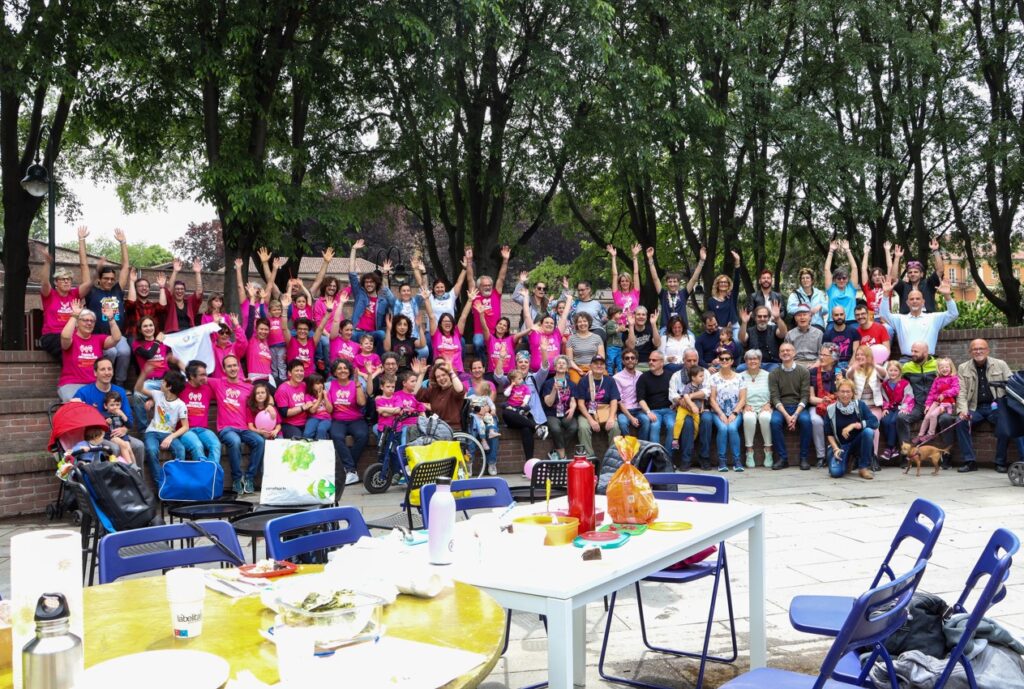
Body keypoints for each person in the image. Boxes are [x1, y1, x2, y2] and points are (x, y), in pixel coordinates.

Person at [955, 339, 1024, 473]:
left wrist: (1008, 407)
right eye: (975, 349)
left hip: (997, 407)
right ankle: (970, 461)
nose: (978, 351)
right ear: (970, 352)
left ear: (988, 350)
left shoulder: (1000, 364)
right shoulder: (963, 367)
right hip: (975, 408)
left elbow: (1012, 385)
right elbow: (961, 392)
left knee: (1006, 422)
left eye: (981, 348)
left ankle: (1000, 462)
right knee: (960, 422)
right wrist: (962, 411)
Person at [72, 357, 145, 466]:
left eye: (109, 369)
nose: (107, 372)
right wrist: (74, 404)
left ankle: (138, 480)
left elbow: (128, 418)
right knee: (114, 447)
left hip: (117, 432)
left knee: (139, 445)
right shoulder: (84, 392)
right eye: (103, 369)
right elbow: (75, 417)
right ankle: (114, 481)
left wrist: (124, 429)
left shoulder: (119, 391)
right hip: (97, 436)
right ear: (95, 373)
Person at [208, 354, 261, 494]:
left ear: (239, 367)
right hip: (226, 429)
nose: (233, 368)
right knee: (235, 441)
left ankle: (249, 478)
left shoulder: (248, 387)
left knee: (260, 441)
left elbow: (265, 397)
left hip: (244, 428)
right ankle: (237, 479)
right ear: (224, 369)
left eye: (234, 365)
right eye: (229, 366)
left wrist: (269, 407)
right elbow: (199, 376)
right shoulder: (218, 383)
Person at [84, 230, 131, 386]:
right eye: (106, 279)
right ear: (99, 279)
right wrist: (81, 240)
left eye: (112, 279)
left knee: (124, 351)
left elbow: (125, 267)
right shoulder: (92, 291)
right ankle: (105, 383)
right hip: (100, 336)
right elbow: (84, 267)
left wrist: (123, 243)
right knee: (111, 352)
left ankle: (119, 384)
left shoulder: (117, 290)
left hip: (118, 335)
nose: (110, 281)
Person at [896, 342, 953, 467]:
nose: (912, 354)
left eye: (916, 351)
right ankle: (907, 456)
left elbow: (951, 379)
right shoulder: (907, 367)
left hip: (937, 405)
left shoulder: (937, 365)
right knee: (901, 418)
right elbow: (896, 380)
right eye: (912, 351)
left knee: (946, 419)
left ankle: (946, 457)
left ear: (926, 352)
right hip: (917, 405)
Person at [38, 226, 92, 359]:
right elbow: (44, 282)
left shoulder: (74, 294)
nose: (67, 282)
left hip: (73, 335)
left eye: (69, 279)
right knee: (70, 349)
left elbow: (88, 284)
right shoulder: (50, 295)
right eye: (63, 279)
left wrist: (81, 240)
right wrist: (47, 263)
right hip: (52, 336)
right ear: (56, 282)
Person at [135, 367, 190, 485]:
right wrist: (143, 374)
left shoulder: (181, 405)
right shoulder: (157, 395)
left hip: (169, 434)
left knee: (180, 449)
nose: (161, 383)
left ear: (169, 386)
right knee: (151, 449)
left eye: (163, 381)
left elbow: (185, 426)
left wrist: (170, 437)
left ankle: (176, 481)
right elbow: (138, 388)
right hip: (152, 432)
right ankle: (160, 483)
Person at [58, 300, 122, 402]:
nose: (89, 323)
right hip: (72, 384)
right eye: (85, 320)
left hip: (95, 385)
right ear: (77, 323)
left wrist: (111, 318)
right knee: (77, 406)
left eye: (92, 321)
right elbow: (65, 337)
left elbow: (116, 338)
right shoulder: (71, 338)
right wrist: (74, 315)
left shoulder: (98, 339)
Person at [878, 276, 958, 357]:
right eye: (912, 299)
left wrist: (947, 296)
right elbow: (884, 315)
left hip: (928, 362)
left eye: (917, 299)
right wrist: (885, 295)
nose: (915, 301)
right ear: (907, 303)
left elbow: (953, 314)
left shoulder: (933, 318)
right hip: (906, 362)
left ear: (923, 302)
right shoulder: (900, 319)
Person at [768, 342, 812, 470]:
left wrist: (796, 414)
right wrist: (787, 416)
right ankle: (783, 458)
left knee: (806, 421)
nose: (785, 353)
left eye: (788, 350)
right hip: (782, 407)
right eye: (782, 351)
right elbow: (774, 397)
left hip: (799, 406)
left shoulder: (803, 371)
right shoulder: (774, 374)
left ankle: (804, 458)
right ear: (779, 354)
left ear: (794, 353)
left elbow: (805, 395)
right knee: (774, 422)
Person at [824, 379, 878, 480]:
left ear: (853, 393)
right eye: (842, 391)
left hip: (857, 444)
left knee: (868, 432)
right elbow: (829, 433)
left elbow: (874, 422)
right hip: (840, 446)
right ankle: (848, 459)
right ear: (837, 393)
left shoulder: (860, 405)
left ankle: (863, 467)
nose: (845, 395)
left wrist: (855, 425)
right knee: (836, 473)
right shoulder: (831, 409)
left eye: (848, 391)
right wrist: (835, 449)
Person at [326, 359, 369, 486]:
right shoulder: (329, 386)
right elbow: (330, 409)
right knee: (336, 436)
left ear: (349, 370)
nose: (342, 370)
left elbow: (362, 403)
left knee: (363, 435)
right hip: (338, 420)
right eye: (339, 368)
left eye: (345, 368)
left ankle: (349, 469)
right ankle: (351, 470)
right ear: (334, 371)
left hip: (355, 419)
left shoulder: (356, 383)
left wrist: (357, 385)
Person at [348, 239, 396, 351]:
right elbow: (352, 274)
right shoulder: (360, 294)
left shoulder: (382, 301)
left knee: (382, 334)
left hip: (372, 333)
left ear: (376, 284)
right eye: (366, 282)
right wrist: (353, 250)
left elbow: (391, 299)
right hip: (357, 331)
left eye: (372, 282)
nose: (369, 284)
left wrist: (385, 274)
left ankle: (380, 360)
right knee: (352, 335)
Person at [669, 350, 714, 468]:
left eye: (695, 360)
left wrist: (688, 397)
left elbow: (707, 391)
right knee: (687, 423)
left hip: (702, 408)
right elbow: (672, 395)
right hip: (683, 409)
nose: (692, 363)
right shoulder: (677, 375)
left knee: (707, 420)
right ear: (684, 361)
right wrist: (681, 401)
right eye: (689, 360)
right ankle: (686, 459)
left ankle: (705, 458)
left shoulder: (704, 373)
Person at [468, 245, 511, 360]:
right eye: (484, 285)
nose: (487, 287)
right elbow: (470, 279)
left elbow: (501, 278)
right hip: (480, 333)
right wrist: (469, 262)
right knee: (477, 343)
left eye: (489, 285)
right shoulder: (475, 295)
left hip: (496, 332)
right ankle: (482, 367)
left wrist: (505, 260)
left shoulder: (496, 294)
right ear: (479, 287)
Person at [647, 245, 704, 332]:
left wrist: (702, 260)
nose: (672, 284)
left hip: (683, 329)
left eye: (674, 281)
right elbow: (655, 279)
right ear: (666, 283)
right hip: (665, 329)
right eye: (670, 281)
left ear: (678, 283)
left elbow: (694, 279)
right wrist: (650, 259)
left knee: (692, 341)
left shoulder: (683, 293)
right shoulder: (663, 294)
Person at [848, 346, 887, 468]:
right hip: (859, 408)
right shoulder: (854, 370)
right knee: (855, 429)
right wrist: (852, 369)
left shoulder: (876, 370)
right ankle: (857, 456)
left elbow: (885, 375)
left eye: (862, 355)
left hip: (874, 407)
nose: (859, 357)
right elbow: (847, 377)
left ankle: (873, 457)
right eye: (857, 355)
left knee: (874, 428)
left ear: (868, 356)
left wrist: (874, 365)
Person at [575, 355, 620, 458]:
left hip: (605, 411)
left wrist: (611, 417)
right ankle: (589, 458)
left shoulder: (610, 380)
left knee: (615, 427)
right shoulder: (584, 381)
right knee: (583, 427)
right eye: (596, 363)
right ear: (591, 366)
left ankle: (613, 456)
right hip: (588, 412)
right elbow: (580, 404)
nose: (599, 366)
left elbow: (614, 401)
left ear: (605, 366)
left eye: (601, 364)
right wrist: (590, 420)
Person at [181, 360, 223, 468]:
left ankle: (210, 475)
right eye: (202, 375)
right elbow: (165, 394)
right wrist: (152, 400)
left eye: (206, 374)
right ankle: (202, 476)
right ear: (191, 376)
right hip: (185, 430)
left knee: (216, 445)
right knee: (197, 446)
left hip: (203, 429)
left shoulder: (208, 389)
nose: (205, 377)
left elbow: (224, 384)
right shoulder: (181, 388)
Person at [709, 349, 745, 471]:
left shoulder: (740, 377)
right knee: (723, 428)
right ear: (718, 361)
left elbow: (742, 399)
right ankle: (722, 462)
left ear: (732, 361)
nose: (724, 361)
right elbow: (712, 399)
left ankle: (737, 461)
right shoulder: (713, 378)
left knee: (732, 428)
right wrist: (721, 414)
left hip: (736, 411)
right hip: (718, 412)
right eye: (721, 359)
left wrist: (734, 413)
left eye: (727, 359)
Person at [414, 253, 468, 330]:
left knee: (462, 341)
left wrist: (464, 269)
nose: (440, 289)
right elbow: (423, 285)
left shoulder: (451, 296)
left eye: (442, 287)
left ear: (445, 288)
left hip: (449, 332)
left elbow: (459, 283)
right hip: (433, 332)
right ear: (433, 289)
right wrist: (423, 272)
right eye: (437, 287)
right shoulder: (430, 297)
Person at [889, 239, 944, 314]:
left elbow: (940, 270)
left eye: (916, 272)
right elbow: (893, 278)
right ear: (907, 275)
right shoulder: (903, 286)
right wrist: (897, 258)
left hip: (927, 320)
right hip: (907, 320)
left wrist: (935, 251)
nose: (912, 274)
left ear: (921, 274)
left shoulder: (929, 284)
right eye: (910, 272)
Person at [429, 289, 476, 375]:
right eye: (445, 321)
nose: (447, 323)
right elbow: (431, 316)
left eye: (449, 321)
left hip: (458, 371)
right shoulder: (436, 334)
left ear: (453, 324)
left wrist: (470, 300)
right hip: (441, 372)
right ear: (440, 324)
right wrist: (426, 299)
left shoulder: (457, 333)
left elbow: (463, 317)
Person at [808, 344, 839, 468]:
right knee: (816, 421)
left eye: (825, 355)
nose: (821, 357)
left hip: (834, 404)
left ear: (833, 358)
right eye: (820, 354)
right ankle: (821, 456)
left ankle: (837, 452)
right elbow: (810, 397)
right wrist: (823, 400)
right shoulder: (813, 372)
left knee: (838, 419)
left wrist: (830, 400)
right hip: (817, 405)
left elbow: (843, 395)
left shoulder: (839, 373)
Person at [740, 349, 773, 468]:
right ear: (745, 361)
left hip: (765, 406)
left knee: (765, 418)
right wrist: (743, 405)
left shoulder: (768, 375)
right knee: (748, 418)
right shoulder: (740, 376)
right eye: (749, 359)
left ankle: (768, 451)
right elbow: (737, 394)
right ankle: (749, 451)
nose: (752, 361)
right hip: (748, 406)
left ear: (760, 361)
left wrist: (769, 403)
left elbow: (774, 392)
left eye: (755, 359)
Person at [541, 356, 578, 459]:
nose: (561, 365)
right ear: (555, 367)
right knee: (556, 429)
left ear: (567, 368)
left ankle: (555, 450)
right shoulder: (548, 383)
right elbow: (548, 403)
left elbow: (573, 400)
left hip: (566, 412)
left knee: (573, 427)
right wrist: (553, 390)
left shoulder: (572, 384)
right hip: (552, 414)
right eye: (559, 363)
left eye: (564, 363)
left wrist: (573, 408)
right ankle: (562, 457)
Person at [636, 352, 675, 449]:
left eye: (654, 360)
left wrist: (675, 404)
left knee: (672, 426)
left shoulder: (671, 376)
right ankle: (656, 456)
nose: (650, 362)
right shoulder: (643, 377)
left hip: (669, 410)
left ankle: (668, 458)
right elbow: (640, 398)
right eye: (649, 360)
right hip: (653, 411)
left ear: (662, 362)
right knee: (654, 426)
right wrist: (648, 412)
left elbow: (676, 393)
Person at [418, 360, 467, 430]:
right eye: (438, 377)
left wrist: (451, 372)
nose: (441, 378)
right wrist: (421, 374)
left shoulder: (454, 388)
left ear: (449, 375)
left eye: (444, 375)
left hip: (452, 429)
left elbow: (460, 390)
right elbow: (416, 393)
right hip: (436, 428)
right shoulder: (434, 390)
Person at [614, 348, 651, 440]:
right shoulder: (617, 378)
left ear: (636, 361)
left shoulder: (640, 375)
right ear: (623, 361)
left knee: (646, 420)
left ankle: (642, 447)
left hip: (638, 409)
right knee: (622, 423)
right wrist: (630, 417)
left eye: (632, 358)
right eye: (627, 358)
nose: (630, 360)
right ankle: (628, 449)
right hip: (624, 410)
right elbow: (619, 401)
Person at [880, 360, 913, 461]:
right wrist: (885, 408)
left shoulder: (905, 383)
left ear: (900, 372)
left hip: (901, 407)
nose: (893, 372)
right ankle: (893, 449)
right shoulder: (884, 385)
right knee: (885, 421)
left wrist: (905, 408)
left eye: (895, 370)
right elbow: (883, 398)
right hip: (890, 407)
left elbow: (909, 396)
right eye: (890, 370)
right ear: (887, 371)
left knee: (894, 421)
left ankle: (889, 447)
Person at [918, 358, 959, 441]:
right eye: (942, 367)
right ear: (939, 369)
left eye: (946, 367)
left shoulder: (953, 378)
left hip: (946, 403)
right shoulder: (937, 379)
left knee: (933, 415)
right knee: (927, 416)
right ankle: (920, 435)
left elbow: (956, 389)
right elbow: (931, 393)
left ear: (951, 367)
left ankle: (930, 434)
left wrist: (944, 394)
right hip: (936, 402)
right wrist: (927, 405)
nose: (944, 369)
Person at [738, 303, 787, 371]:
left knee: (775, 371)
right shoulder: (749, 331)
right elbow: (742, 339)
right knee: (740, 369)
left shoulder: (774, 329)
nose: (762, 319)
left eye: (765, 316)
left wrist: (777, 318)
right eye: (759, 316)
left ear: (769, 318)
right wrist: (744, 323)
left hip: (771, 364)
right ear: (755, 318)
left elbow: (783, 333)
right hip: (752, 363)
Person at [162, 258, 204, 333]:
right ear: (174, 291)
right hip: (173, 333)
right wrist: (175, 271)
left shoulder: (189, 302)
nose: (179, 291)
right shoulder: (170, 302)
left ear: (184, 291)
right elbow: (168, 290)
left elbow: (199, 292)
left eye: (182, 289)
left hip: (188, 333)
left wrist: (198, 273)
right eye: (177, 289)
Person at [823, 239, 860, 322]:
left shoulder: (851, 287)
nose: (841, 280)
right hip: (834, 322)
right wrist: (831, 251)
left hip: (851, 321)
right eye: (838, 278)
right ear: (834, 280)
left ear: (847, 279)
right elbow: (826, 269)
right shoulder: (831, 289)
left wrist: (847, 250)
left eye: (844, 278)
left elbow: (854, 268)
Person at [125, 269, 167, 341]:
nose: (144, 288)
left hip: (151, 337)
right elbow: (131, 303)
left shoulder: (153, 305)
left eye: (146, 286)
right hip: (135, 337)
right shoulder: (133, 305)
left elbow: (162, 307)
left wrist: (162, 287)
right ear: (135, 289)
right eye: (140, 286)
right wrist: (132, 282)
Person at [860, 240, 895, 325]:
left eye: (879, 275)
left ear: (883, 276)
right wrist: (866, 253)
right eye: (874, 275)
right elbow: (863, 269)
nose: (877, 277)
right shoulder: (867, 287)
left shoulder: (887, 285)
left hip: (886, 315)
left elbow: (890, 267)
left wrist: (887, 250)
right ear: (871, 278)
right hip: (872, 316)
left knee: (887, 333)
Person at [706, 251, 741, 332]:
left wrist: (737, 262)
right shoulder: (711, 301)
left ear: (728, 285)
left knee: (738, 342)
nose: (723, 284)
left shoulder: (732, 296)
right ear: (717, 285)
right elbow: (710, 317)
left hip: (734, 327)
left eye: (725, 282)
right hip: (719, 329)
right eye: (721, 282)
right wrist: (719, 328)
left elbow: (737, 281)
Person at [607, 243, 642, 325]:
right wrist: (613, 257)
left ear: (630, 282)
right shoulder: (616, 294)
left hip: (634, 325)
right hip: (620, 326)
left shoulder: (635, 292)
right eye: (622, 281)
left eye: (627, 281)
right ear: (619, 283)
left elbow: (636, 273)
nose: (625, 283)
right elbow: (615, 274)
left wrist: (635, 256)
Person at [566, 312, 605, 384]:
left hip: (595, 366)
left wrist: (592, 369)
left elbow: (601, 357)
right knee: (576, 383)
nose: (582, 323)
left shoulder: (597, 338)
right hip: (577, 368)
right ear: (576, 324)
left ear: (589, 322)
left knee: (604, 381)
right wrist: (578, 369)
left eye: (584, 321)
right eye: (579, 322)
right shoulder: (571, 339)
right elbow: (569, 360)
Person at [275, 359, 311, 439]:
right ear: (289, 373)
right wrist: (302, 407)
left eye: (301, 371)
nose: (299, 373)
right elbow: (284, 413)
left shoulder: (304, 385)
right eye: (296, 370)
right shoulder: (283, 389)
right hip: (289, 424)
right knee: (299, 440)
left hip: (306, 422)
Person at [822, 305, 861, 372]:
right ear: (832, 317)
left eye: (841, 314)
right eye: (836, 315)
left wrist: (850, 366)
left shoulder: (853, 331)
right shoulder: (827, 334)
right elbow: (826, 354)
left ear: (845, 315)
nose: (839, 317)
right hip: (834, 365)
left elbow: (856, 351)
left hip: (851, 363)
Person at [102, 391, 137, 463]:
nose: (115, 407)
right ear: (105, 406)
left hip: (122, 435)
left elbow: (130, 425)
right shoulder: (104, 415)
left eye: (117, 405)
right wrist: (106, 423)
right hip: (111, 436)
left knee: (129, 448)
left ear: (120, 405)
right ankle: (129, 466)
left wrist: (123, 415)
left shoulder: (121, 414)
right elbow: (101, 429)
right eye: (112, 405)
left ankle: (135, 467)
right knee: (123, 445)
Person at [302, 373, 332, 440]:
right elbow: (312, 411)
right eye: (317, 383)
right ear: (311, 385)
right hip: (313, 417)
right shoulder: (308, 396)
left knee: (321, 429)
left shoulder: (327, 394)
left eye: (321, 383)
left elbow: (330, 410)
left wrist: (325, 397)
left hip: (326, 418)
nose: (320, 385)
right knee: (307, 433)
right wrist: (319, 398)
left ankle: (320, 448)